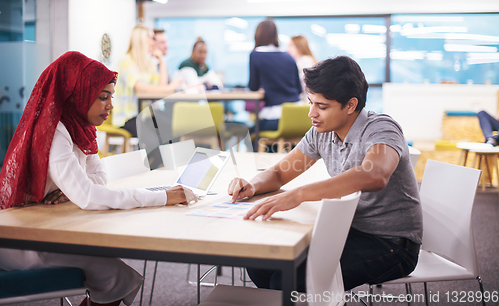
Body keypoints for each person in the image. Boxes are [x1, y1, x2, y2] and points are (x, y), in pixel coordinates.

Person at [0, 51, 197, 306]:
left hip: (45, 229)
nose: (110, 105)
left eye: (111, 97)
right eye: (103, 97)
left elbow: (99, 178)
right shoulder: (56, 131)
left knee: (116, 274)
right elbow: (90, 196)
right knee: (116, 276)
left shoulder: (80, 126)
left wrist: (73, 187)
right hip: (20, 241)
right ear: (77, 94)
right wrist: (163, 196)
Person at [228, 56, 422, 292]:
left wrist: (299, 194)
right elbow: (281, 172)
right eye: (311, 103)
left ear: (350, 105)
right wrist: (253, 185)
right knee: (262, 265)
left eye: (322, 106)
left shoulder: (381, 128)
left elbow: (375, 174)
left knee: (286, 281)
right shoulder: (321, 132)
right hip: (348, 229)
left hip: (391, 245)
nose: (312, 113)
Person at [113, 25, 183, 137]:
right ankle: (152, 155)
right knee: (155, 137)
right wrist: (170, 88)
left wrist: (161, 61)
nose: (153, 42)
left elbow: (161, 89)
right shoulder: (125, 61)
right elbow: (139, 88)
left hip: (145, 116)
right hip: (128, 117)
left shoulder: (149, 63)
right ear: (141, 39)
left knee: (173, 129)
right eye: (151, 38)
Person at [248, 19, 302, 132]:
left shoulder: (256, 55)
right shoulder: (288, 56)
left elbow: (253, 86)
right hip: (297, 114)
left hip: (275, 115)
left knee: (252, 132)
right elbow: (299, 89)